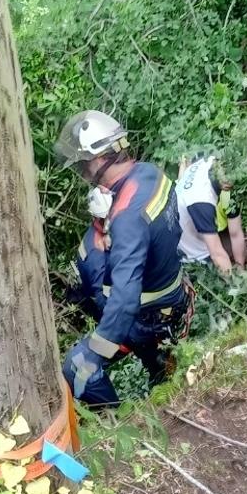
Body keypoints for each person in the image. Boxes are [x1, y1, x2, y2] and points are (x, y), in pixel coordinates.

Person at [54, 110, 188, 406]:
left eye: (82, 165)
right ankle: (161, 370)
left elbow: (125, 299)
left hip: (148, 315)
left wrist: (96, 351)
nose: (83, 172)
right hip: (172, 294)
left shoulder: (126, 218)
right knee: (161, 371)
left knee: (76, 367)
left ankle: (119, 425)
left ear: (98, 159)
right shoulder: (151, 173)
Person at [175, 154, 247, 276]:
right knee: (220, 272)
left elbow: (236, 233)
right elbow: (216, 254)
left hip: (197, 226)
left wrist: (241, 267)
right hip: (190, 248)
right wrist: (238, 287)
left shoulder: (212, 161)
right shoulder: (201, 201)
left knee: (242, 252)